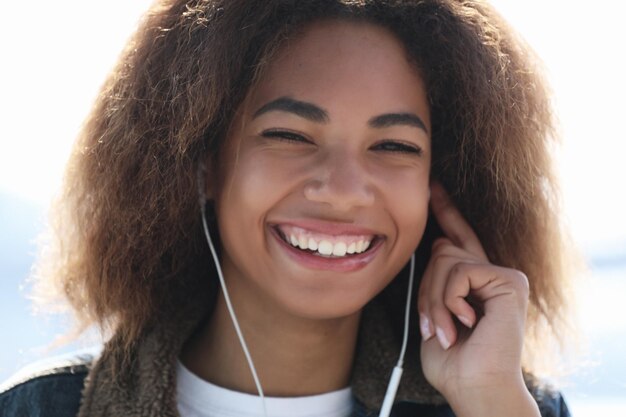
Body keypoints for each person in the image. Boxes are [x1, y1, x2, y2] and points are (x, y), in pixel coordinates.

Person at [0, 0, 575, 416]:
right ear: (203, 166)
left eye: (395, 146)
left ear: (436, 187)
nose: (345, 189)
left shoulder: (509, 403)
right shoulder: (41, 408)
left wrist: (490, 402)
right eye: (290, 135)